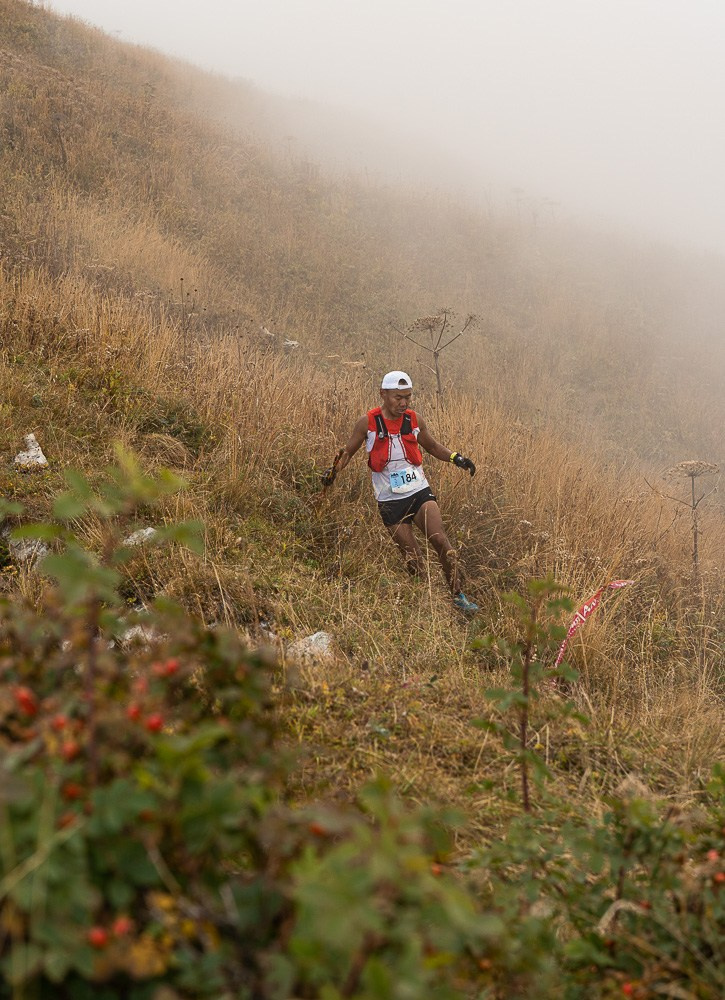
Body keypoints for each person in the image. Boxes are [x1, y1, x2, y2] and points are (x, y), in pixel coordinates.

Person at [322, 370, 479, 613]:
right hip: (390, 500)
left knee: (442, 543)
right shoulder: (367, 423)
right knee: (413, 559)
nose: (404, 403)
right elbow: (348, 452)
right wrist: (334, 471)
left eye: (408, 397)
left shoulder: (414, 420)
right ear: (383, 394)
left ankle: (458, 596)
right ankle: (425, 604)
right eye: (398, 397)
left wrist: (457, 458)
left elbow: (433, 446)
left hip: (419, 492)